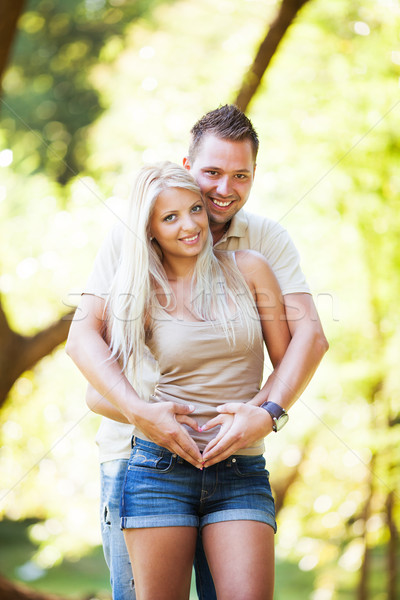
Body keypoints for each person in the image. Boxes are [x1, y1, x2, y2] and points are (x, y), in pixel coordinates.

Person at [66, 105, 328, 600]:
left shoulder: (263, 245)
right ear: (187, 167)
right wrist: (142, 413)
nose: (224, 188)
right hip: (137, 456)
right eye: (212, 172)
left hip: (236, 461)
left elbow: (309, 338)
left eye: (240, 175)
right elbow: (83, 341)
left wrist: (267, 413)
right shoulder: (132, 249)